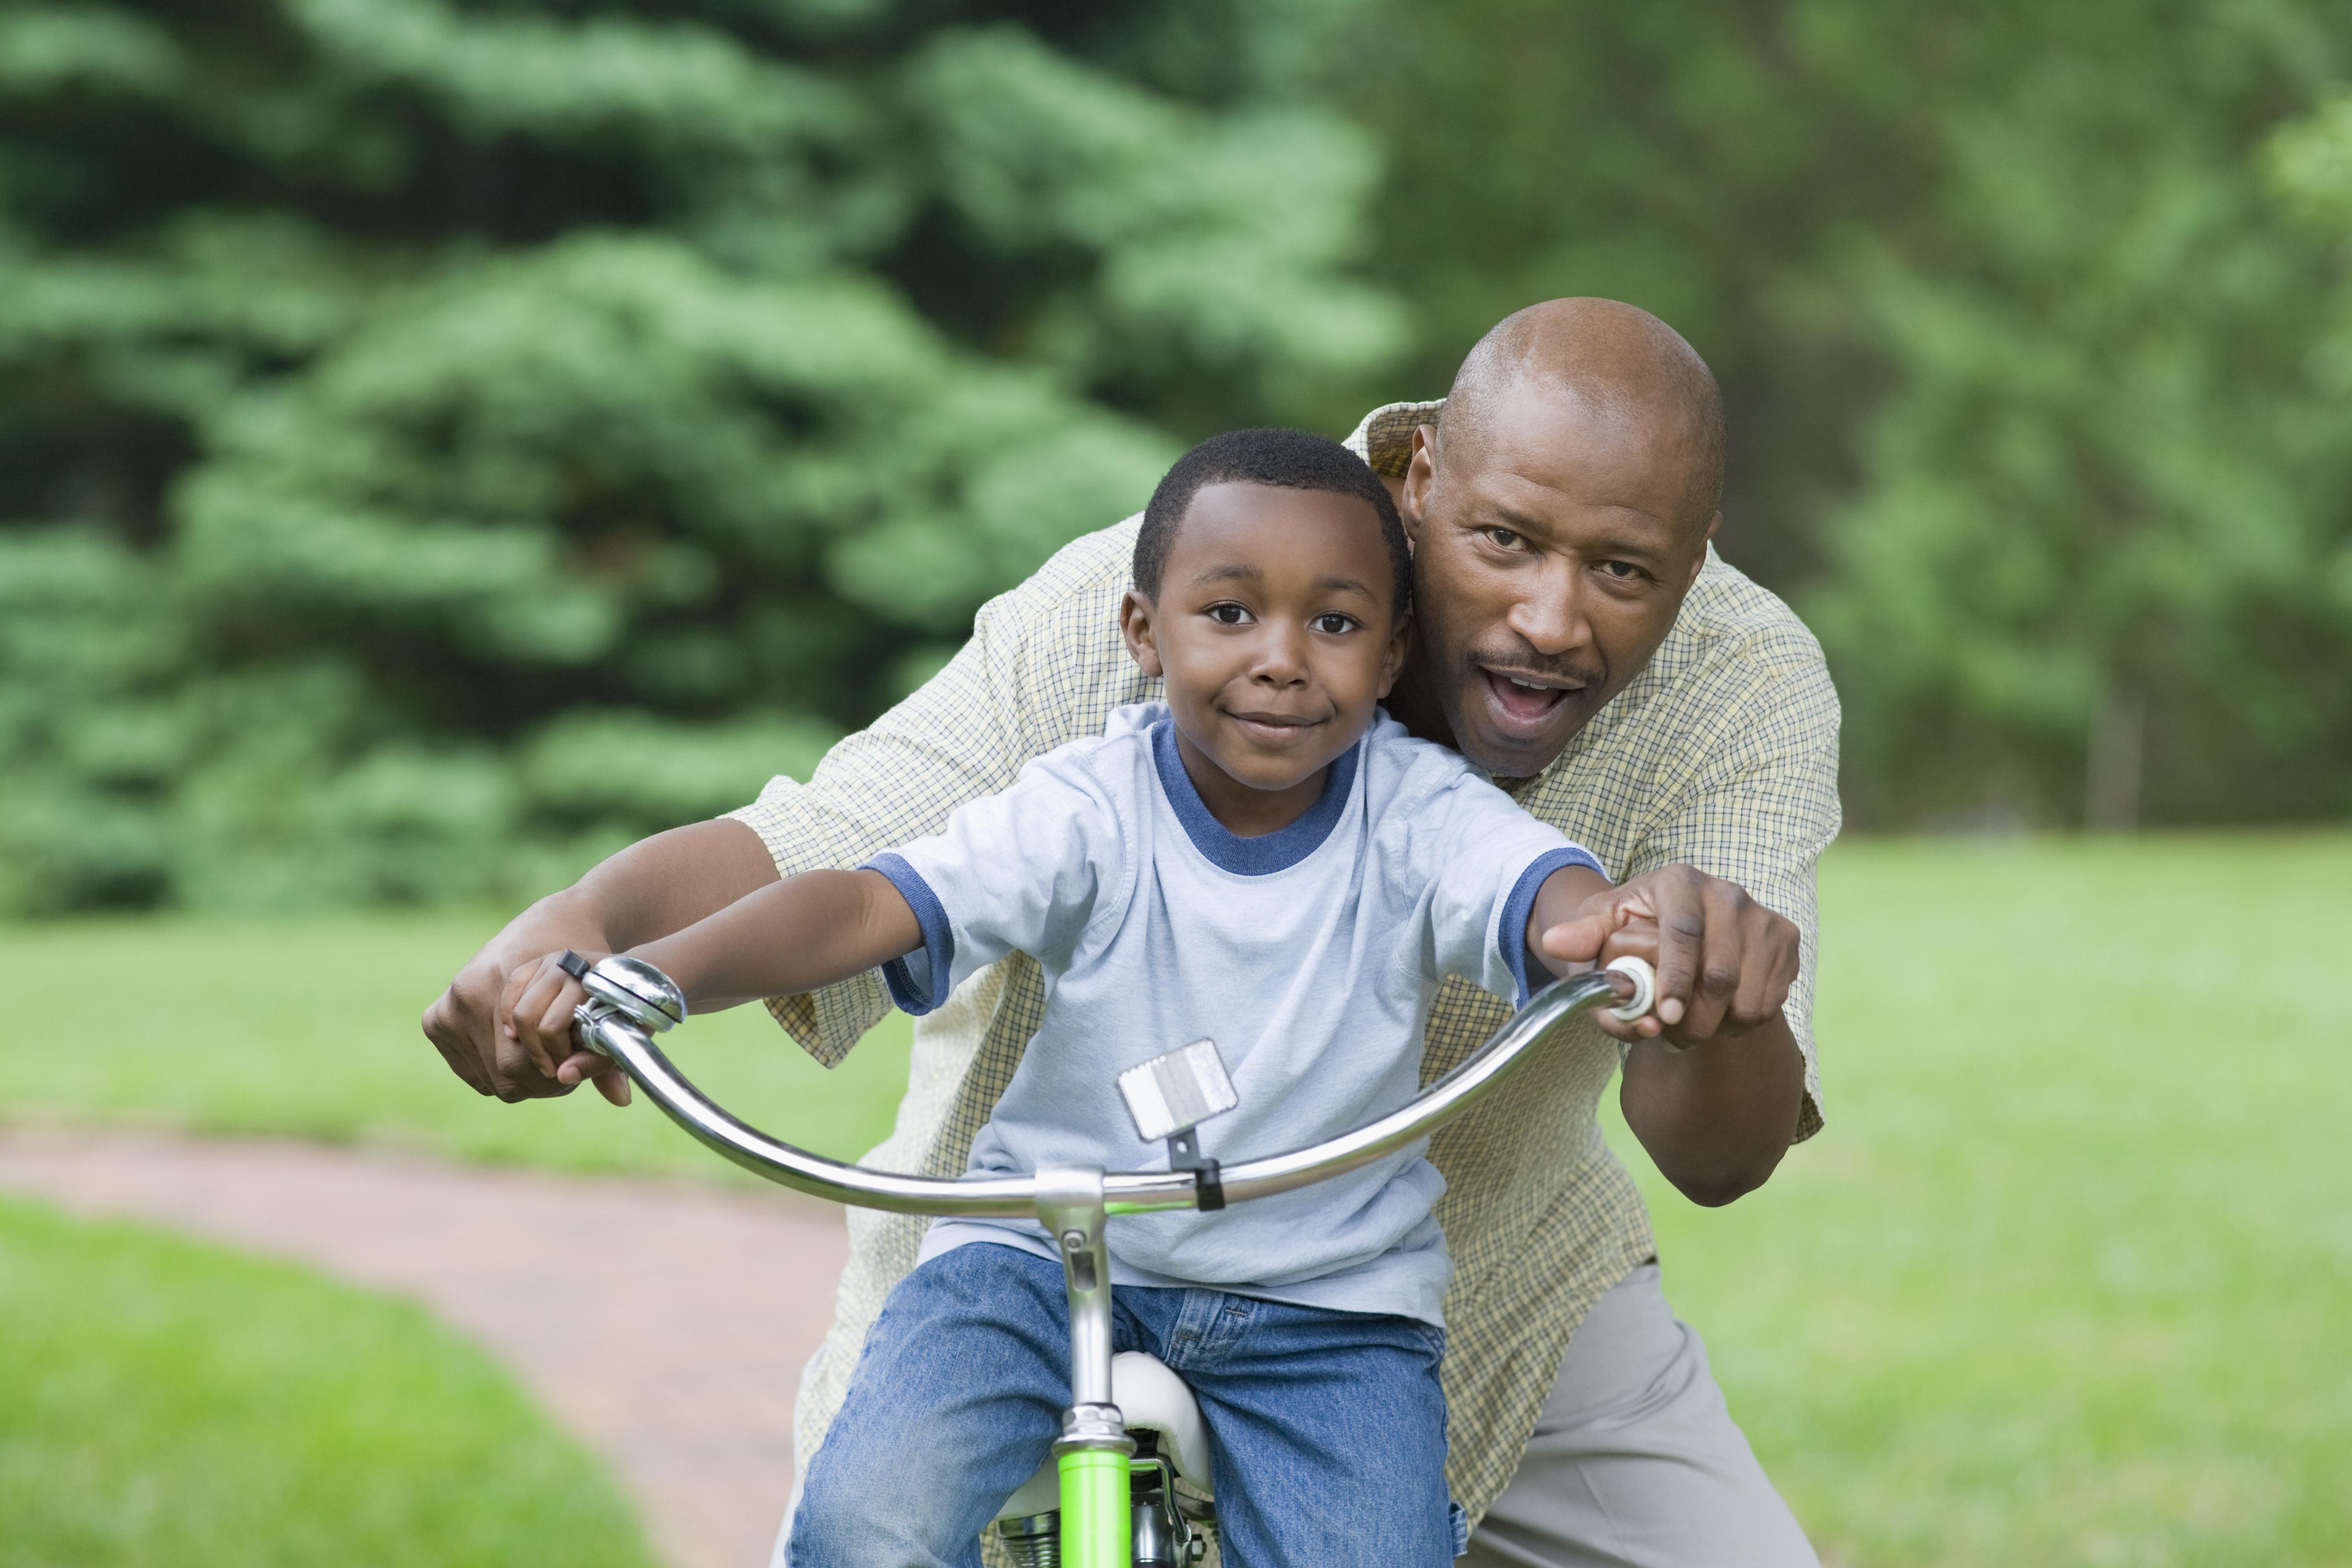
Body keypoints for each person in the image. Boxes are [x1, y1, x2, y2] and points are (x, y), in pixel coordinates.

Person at [426, 298, 1838, 1567]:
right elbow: (837, 856)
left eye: (1624, 573)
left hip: (1450, 1280)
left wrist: (1698, 976)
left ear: (1698, 558)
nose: (1549, 619)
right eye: (1502, 542)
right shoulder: (1169, 594)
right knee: (877, 1519)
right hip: (1045, 1249)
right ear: (1421, 482)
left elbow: (1705, 1135)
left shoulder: (1726, 688)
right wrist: (594, 928)